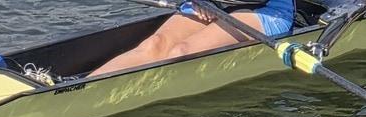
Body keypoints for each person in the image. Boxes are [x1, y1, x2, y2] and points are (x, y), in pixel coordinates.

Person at [90, 0, 297, 77]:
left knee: (180, 53)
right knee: (154, 45)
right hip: (211, 4)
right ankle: (82, 88)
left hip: (266, 9)